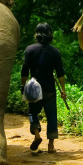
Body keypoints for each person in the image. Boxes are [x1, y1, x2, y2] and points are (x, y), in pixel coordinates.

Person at [21, 23, 67, 153]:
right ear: (50, 35)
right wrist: (63, 89)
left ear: (37, 34)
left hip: (34, 88)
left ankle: (36, 135)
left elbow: (24, 70)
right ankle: (51, 145)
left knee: (32, 112)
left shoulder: (30, 50)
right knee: (51, 115)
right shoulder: (55, 52)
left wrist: (23, 85)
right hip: (50, 89)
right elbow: (60, 73)